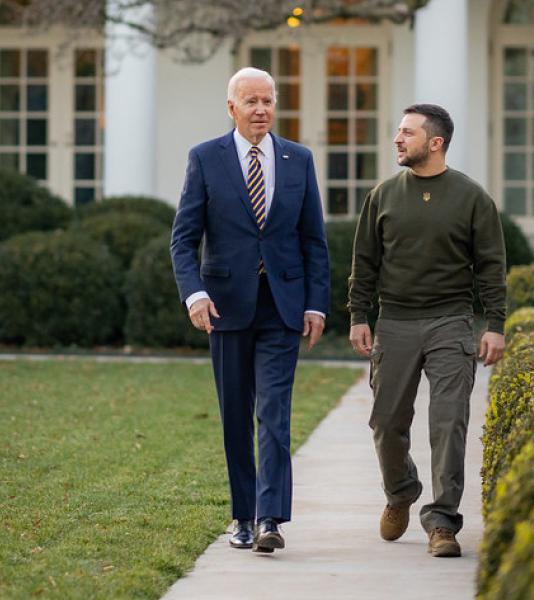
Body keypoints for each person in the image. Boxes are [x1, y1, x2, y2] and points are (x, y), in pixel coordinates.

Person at [170, 67, 331, 554]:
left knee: (274, 414)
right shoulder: (205, 159)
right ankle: (241, 515)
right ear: (231, 107)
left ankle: (269, 519)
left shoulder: (298, 159)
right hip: (225, 308)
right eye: (251, 101)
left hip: (282, 308)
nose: (261, 109)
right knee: (236, 416)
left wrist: (316, 304)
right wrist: (195, 294)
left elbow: (313, 241)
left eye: (268, 100)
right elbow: (183, 238)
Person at [347, 103, 506, 558]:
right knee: (387, 421)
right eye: (398, 132)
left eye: (407, 133)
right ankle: (401, 492)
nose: (397, 139)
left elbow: (492, 266)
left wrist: (494, 324)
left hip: (450, 321)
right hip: (394, 320)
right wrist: (359, 316)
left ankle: (442, 523)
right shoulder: (382, 195)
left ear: (435, 143)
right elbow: (364, 263)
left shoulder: (471, 198)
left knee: (448, 421)